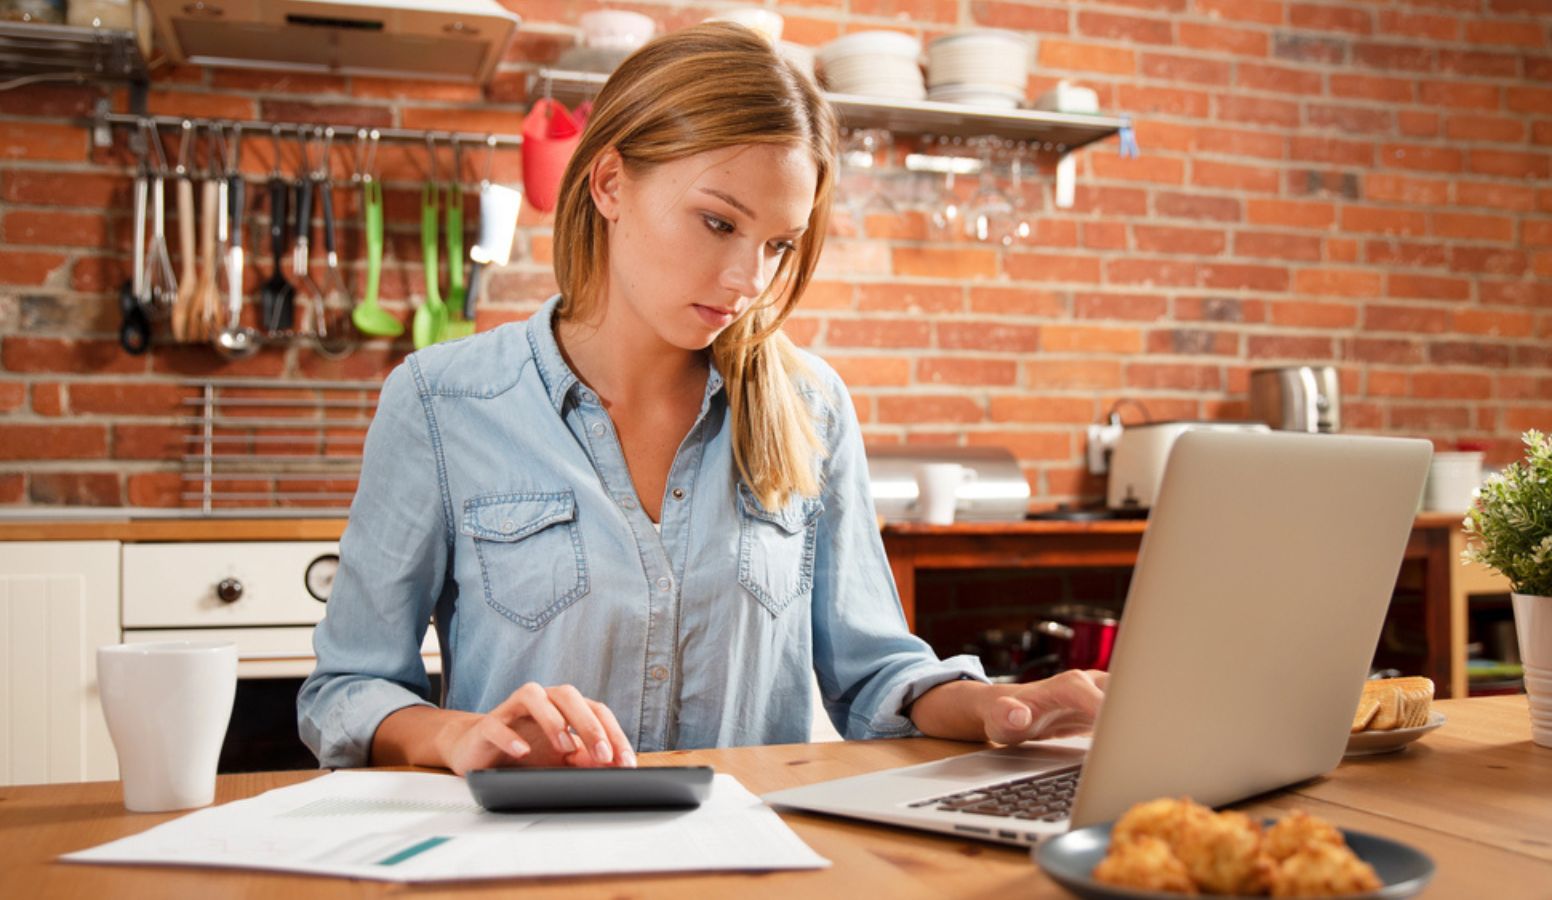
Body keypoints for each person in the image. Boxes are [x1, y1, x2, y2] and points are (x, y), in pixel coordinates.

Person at [297, 23, 1107, 776]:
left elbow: (876, 675)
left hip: (751, 851)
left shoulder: (812, 407)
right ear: (610, 182)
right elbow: (348, 688)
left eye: (778, 245)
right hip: (527, 854)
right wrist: (457, 734)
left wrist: (1001, 706)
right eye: (719, 223)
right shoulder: (442, 402)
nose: (748, 280)